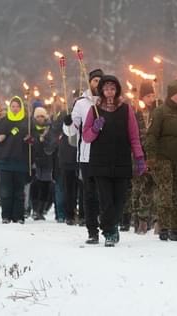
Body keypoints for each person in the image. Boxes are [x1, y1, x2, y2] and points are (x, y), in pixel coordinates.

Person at [82, 75, 146, 247]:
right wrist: (95, 128)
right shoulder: (94, 110)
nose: (109, 92)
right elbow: (86, 136)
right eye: (106, 88)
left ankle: (111, 225)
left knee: (119, 199)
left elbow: (134, 136)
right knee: (106, 200)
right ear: (101, 91)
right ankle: (109, 230)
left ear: (117, 90)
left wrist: (139, 157)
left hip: (121, 160)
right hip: (100, 161)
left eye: (112, 88)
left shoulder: (126, 109)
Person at [146, 81, 177, 242]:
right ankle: (164, 225)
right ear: (170, 96)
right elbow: (151, 134)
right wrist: (151, 156)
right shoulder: (160, 112)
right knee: (166, 192)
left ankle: (176, 226)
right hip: (163, 157)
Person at [64, 69, 103, 243]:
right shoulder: (81, 103)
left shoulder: (109, 101)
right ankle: (92, 229)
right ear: (89, 82)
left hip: (106, 154)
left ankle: (108, 225)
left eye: (100, 80)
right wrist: (67, 123)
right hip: (86, 155)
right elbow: (72, 130)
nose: (98, 83)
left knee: (105, 193)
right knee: (89, 194)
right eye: (95, 80)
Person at [0, 96, 32, 224]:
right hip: (5, 161)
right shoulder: (3, 122)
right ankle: (6, 215)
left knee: (19, 191)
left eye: (18, 106)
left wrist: (30, 140)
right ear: (10, 108)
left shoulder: (26, 122)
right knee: (6, 191)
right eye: (13, 106)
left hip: (20, 161)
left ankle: (19, 215)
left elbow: (34, 140)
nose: (15, 109)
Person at [127, 80, 157, 233]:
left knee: (151, 187)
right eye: (148, 96)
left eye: (153, 95)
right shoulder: (135, 111)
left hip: (153, 155)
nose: (151, 99)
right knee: (138, 187)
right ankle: (137, 217)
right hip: (138, 155)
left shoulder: (157, 111)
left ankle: (147, 217)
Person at [29, 106, 55, 220]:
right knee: (35, 185)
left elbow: (52, 144)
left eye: (42, 116)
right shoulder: (31, 128)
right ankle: (34, 208)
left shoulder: (49, 128)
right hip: (35, 161)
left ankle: (41, 209)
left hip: (46, 162)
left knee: (45, 186)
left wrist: (44, 141)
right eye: (38, 116)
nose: (40, 118)